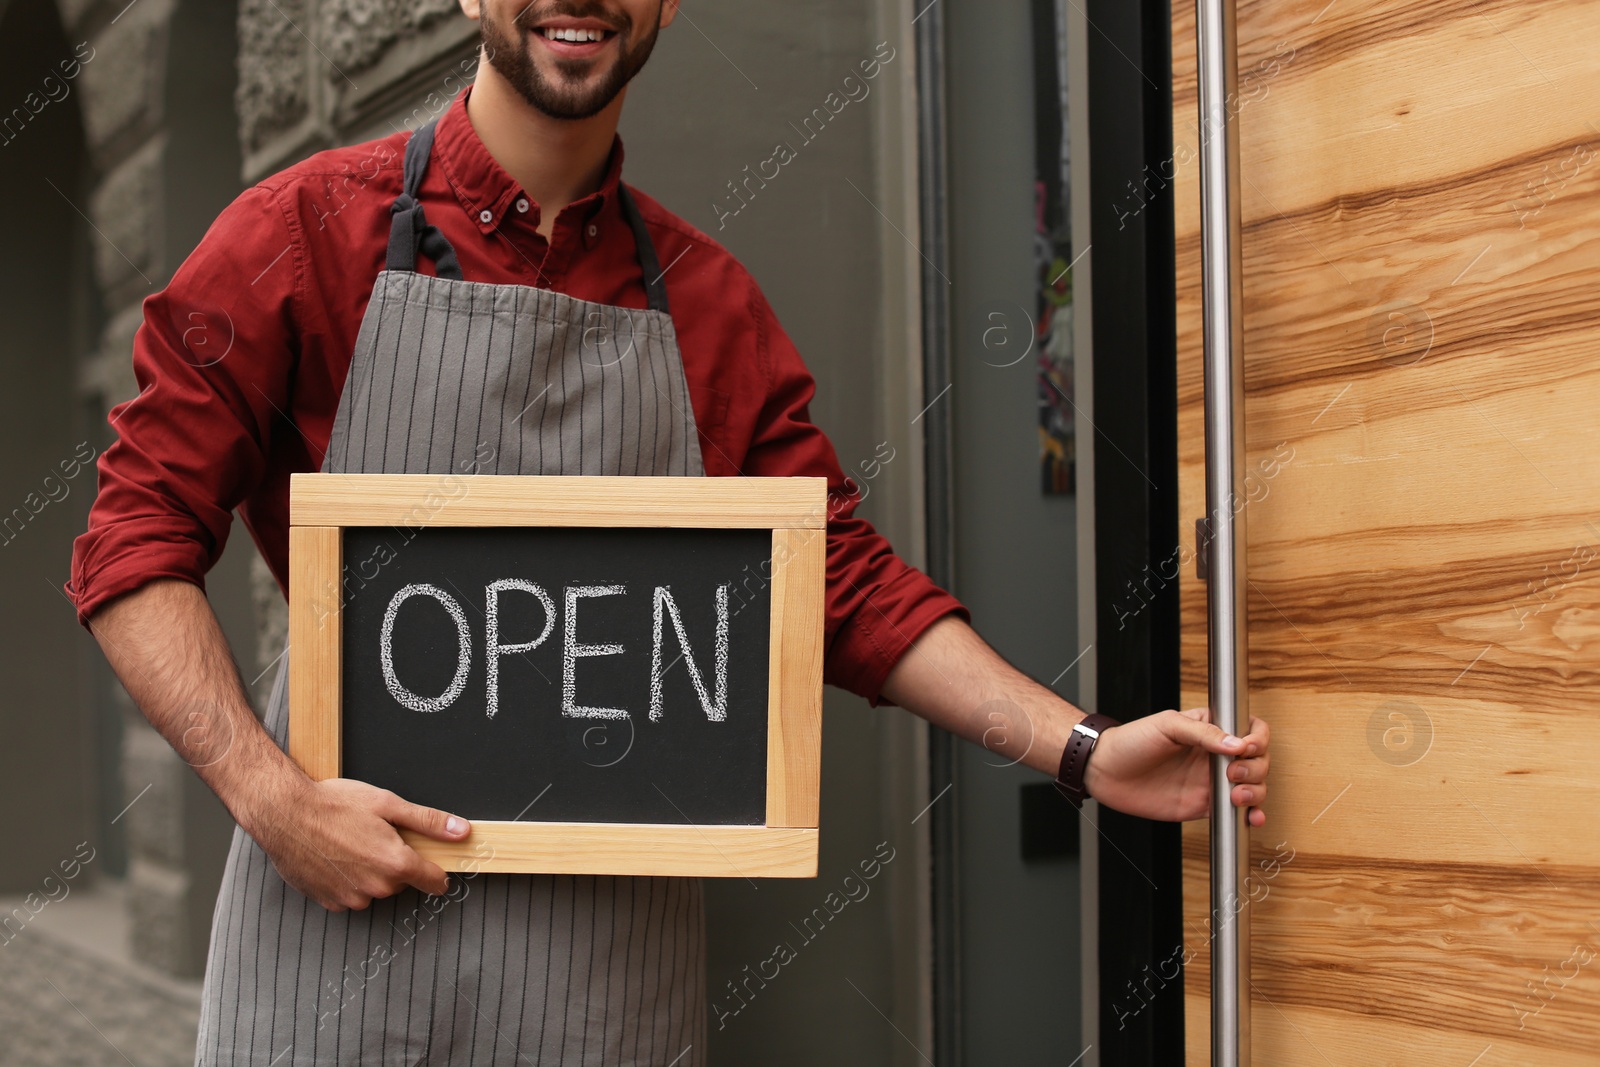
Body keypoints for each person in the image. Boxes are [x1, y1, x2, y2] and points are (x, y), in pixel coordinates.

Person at [68, 1, 1271, 1063]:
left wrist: (1077, 746)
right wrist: (272, 801)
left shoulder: (707, 304)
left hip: (601, 976)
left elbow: (839, 589)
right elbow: (133, 538)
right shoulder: (300, 234)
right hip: (335, 915)